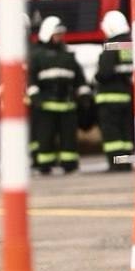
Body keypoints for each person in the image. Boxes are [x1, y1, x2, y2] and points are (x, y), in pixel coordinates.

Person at [27, 16, 92, 174]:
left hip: (67, 106)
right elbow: (31, 80)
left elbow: (79, 79)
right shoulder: (37, 56)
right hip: (46, 106)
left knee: (69, 138)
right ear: (47, 34)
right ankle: (44, 165)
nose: (60, 37)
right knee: (45, 137)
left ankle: (69, 164)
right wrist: (35, 98)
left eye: (61, 34)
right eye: (56, 34)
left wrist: (84, 96)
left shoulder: (68, 55)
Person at [95, 9, 134, 170]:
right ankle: (125, 162)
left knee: (112, 133)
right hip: (125, 96)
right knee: (125, 131)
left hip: (109, 98)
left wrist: (96, 77)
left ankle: (115, 163)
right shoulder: (128, 46)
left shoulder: (111, 47)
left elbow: (104, 73)